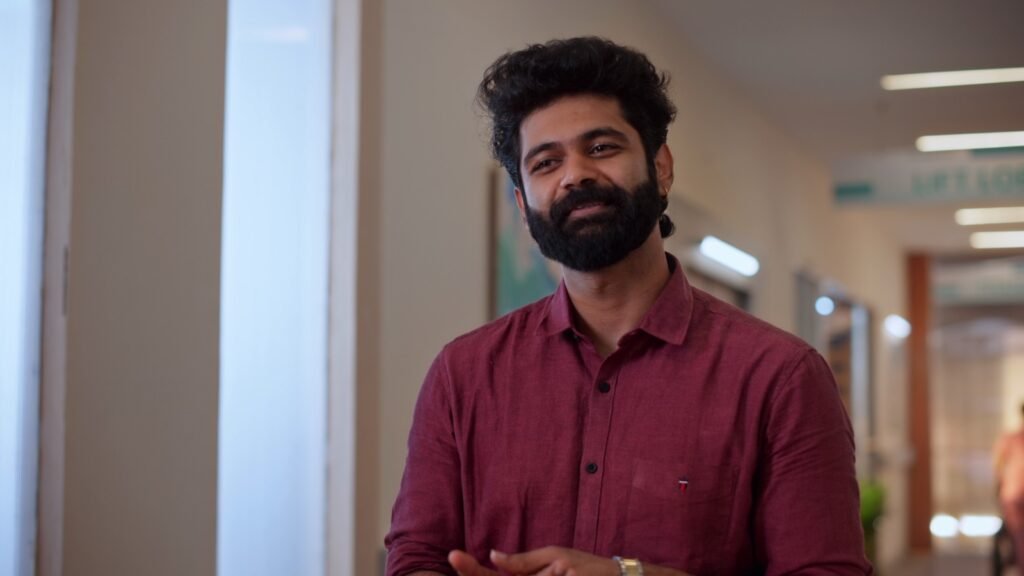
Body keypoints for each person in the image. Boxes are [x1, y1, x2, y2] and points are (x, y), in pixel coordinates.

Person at [385, 37, 870, 576]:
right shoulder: (463, 375)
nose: (574, 175)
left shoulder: (781, 378)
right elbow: (416, 557)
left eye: (601, 148)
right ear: (523, 204)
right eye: (545, 162)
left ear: (661, 168)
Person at [995, 403, 1024, 563]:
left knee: (1018, 534)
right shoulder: (1010, 439)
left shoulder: (1009, 439)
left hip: (1012, 493)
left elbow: (998, 467)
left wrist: (999, 487)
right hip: (1014, 494)